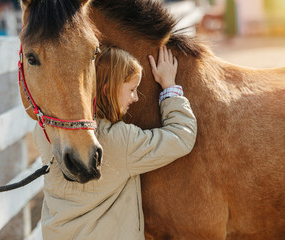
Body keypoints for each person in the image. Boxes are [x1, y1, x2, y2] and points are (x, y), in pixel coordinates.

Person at [33, 45, 197, 239]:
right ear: (108, 89)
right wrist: (169, 87)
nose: (135, 98)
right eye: (132, 89)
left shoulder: (46, 131)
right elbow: (182, 136)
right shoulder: (120, 141)